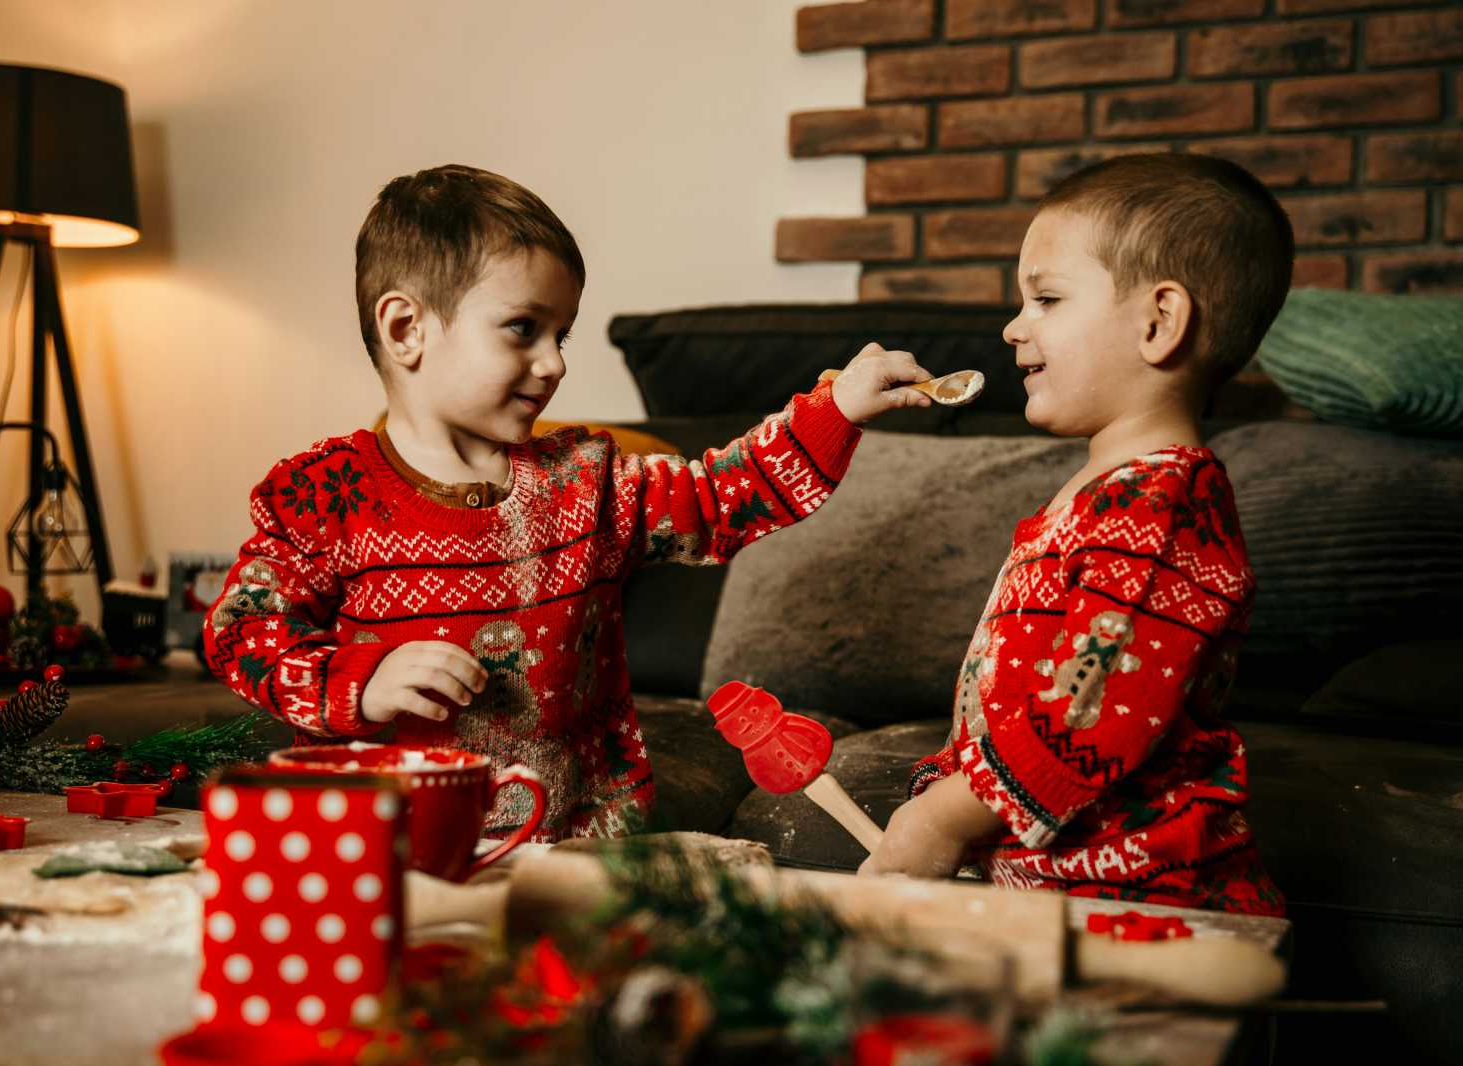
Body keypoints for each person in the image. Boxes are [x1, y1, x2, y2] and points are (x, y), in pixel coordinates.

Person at [203, 164, 932, 840]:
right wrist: (357, 685)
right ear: (406, 329)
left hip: (578, 835)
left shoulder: (587, 482)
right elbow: (243, 632)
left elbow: (720, 498)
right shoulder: (323, 494)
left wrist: (835, 409)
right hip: (387, 839)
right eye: (524, 329)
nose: (554, 363)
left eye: (562, 335)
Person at [859, 154, 1290, 916]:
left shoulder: (1163, 508)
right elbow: (1020, 689)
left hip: (1145, 902)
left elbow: (1083, 717)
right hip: (1056, 888)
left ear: (1159, 322)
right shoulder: (1106, 493)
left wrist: (943, 816)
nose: (1013, 326)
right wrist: (949, 781)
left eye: (1046, 299)